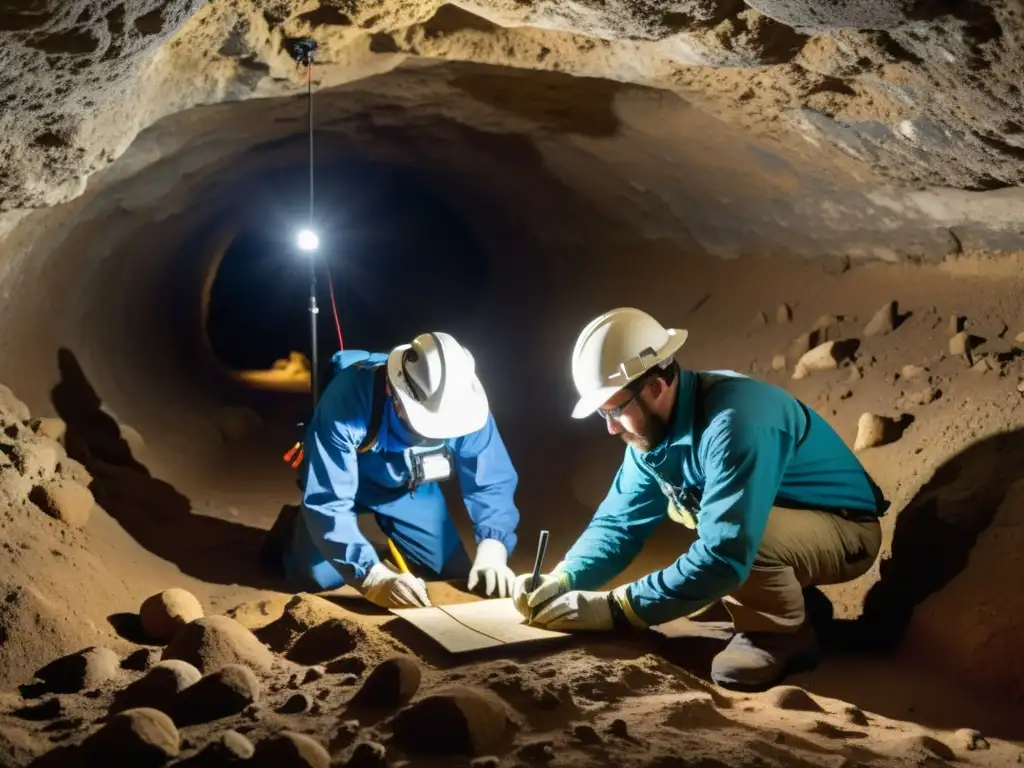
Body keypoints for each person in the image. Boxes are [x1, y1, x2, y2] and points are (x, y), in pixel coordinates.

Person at [513, 307, 888, 692]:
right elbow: (618, 525)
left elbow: (725, 552)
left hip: (845, 532)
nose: (610, 427)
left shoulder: (735, 421)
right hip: (787, 525)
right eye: (601, 413)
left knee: (740, 547)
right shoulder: (650, 436)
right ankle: (799, 605)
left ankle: (779, 634)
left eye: (614, 409)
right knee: (721, 555)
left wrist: (616, 609)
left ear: (656, 386)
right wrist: (565, 576)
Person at [263, 331, 521, 609]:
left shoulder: (465, 403)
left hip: (408, 488)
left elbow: (491, 480)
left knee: (454, 575)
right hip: (346, 477)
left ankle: (376, 546)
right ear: (392, 390)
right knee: (315, 578)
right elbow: (329, 501)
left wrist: (494, 546)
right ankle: (295, 531)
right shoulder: (348, 398)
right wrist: (371, 576)